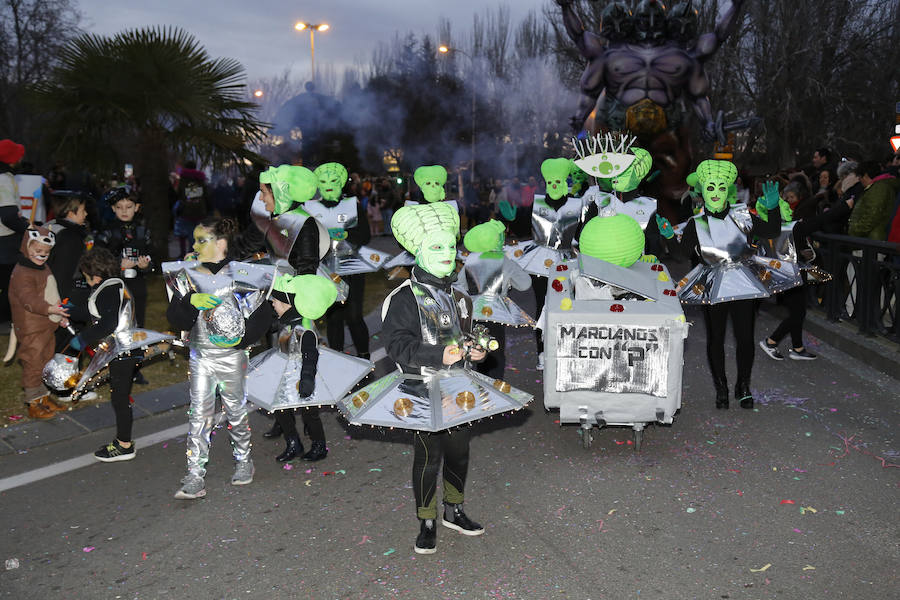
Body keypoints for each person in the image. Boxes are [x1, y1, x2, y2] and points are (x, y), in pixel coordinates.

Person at [381, 201, 486, 555]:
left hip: (460, 389)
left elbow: (466, 336)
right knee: (428, 457)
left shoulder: (460, 297)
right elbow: (396, 345)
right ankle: (426, 519)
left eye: (449, 246)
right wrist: (437, 355)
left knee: (459, 452)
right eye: (436, 247)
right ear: (419, 252)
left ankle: (453, 510)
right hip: (421, 389)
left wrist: (475, 351)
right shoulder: (403, 298)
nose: (446, 254)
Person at [657, 160, 784, 409]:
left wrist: (774, 208)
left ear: (728, 190)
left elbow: (771, 231)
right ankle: (722, 389)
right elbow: (682, 253)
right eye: (710, 188)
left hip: (744, 285)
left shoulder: (743, 216)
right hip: (713, 286)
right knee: (716, 338)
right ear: (703, 192)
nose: (715, 193)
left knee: (745, 338)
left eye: (720, 188)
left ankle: (743, 387)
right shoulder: (697, 223)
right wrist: (669, 237)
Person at [165, 217, 272, 499]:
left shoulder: (242, 274)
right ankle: (194, 475)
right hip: (200, 355)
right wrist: (189, 301)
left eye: (202, 240)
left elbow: (261, 316)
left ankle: (243, 460)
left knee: (236, 411)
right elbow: (174, 318)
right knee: (199, 415)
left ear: (220, 243)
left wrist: (241, 340)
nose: (195, 245)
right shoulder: (185, 274)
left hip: (232, 356)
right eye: (195, 239)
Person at [66, 248, 146, 461]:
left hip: (122, 349)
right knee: (119, 395)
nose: (85, 280)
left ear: (95, 275)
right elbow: (96, 313)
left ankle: (124, 445)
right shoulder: (111, 287)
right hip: (123, 349)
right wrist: (68, 311)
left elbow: (108, 322)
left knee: (119, 397)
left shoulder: (109, 289)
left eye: (86, 275)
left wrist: (80, 341)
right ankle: (123, 442)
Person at [758, 196, 852, 362]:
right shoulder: (792, 228)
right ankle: (771, 342)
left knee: (797, 310)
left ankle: (797, 347)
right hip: (791, 276)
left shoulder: (766, 229)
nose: (789, 210)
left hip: (779, 276)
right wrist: (845, 205)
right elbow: (821, 219)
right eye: (785, 207)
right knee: (798, 312)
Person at [266, 273, 339, 462]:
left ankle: (319, 445)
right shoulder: (286, 324)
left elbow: (310, 355)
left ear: (288, 305)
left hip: (305, 379)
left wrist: (307, 378)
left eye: (276, 300)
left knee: (309, 414)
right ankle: (293, 443)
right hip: (287, 376)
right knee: (281, 409)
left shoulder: (304, 329)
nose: (273, 303)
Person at [305, 162, 371, 360]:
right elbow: (305, 236)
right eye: (323, 182)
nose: (329, 185)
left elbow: (365, 235)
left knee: (354, 316)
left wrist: (346, 235)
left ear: (341, 182)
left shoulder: (352, 205)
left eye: (333, 180)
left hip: (352, 268)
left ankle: (364, 357)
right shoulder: (311, 207)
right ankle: (337, 357)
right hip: (326, 269)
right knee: (334, 317)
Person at [457, 219, 533, 379]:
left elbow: (459, 286)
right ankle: (494, 389)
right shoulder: (504, 261)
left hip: (473, 313)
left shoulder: (470, 260)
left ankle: (474, 385)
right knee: (495, 352)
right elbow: (525, 284)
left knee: (474, 351)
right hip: (496, 314)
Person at [9, 227, 71, 418]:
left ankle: (43, 396)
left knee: (45, 361)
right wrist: (49, 309)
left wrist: (58, 314)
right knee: (33, 362)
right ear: (27, 248)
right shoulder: (23, 272)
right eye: (38, 252)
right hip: (31, 326)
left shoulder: (42, 267)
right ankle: (32, 401)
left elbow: (51, 293)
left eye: (46, 252)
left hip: (46, 325)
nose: (42, 256)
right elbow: (29, 299)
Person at [94, 188, 153, 331]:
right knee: (114, 322)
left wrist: (146, 265)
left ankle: (135, 351)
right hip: (113, 284)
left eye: (129, 207)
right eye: (119, 207)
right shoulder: (107, 231)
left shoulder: (143, 231)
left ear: (137, 207)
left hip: (137, 284)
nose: (124, 211)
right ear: (113, 208)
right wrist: (118, 264)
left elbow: (152, 256)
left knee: (137, 321)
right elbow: (97, 258)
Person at [0, 139, 29, 327]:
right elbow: (8, 215)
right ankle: (3, 320)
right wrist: (28, 230)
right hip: (5, 240)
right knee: (7, 283)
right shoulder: (4, 180)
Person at [848, 160, 899, 241]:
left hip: (871, 241)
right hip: (871, 239)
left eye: (859, 177)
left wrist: (854, 231)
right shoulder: (878, 187)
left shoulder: (878, 188)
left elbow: (871, 216)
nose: (859, 180)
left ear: (865, 175)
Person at [173, 160, 210, 257]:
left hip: (186, 212)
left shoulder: (183, 180)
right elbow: (206, 195)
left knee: (184, 233)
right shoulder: (201, 180)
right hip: (200, 211)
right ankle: (194, 254)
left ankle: (183, 254)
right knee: (196, 235)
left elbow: (179, 194)